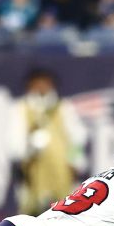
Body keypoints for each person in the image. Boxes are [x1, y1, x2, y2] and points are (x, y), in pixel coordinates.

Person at [11, 69, 86, 214]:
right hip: (32, 169)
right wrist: (26, 152)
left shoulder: (64, 107)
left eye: (45, 83)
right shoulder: (21, 108)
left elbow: (78, 137)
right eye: (36, 84)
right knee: (31, 213)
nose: (41, 87)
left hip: (61, 168)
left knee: (65, 211)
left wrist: (75, 161)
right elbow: (15, 141)